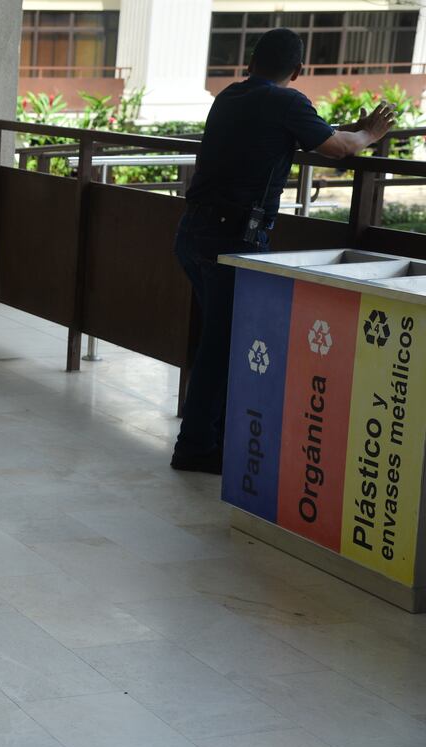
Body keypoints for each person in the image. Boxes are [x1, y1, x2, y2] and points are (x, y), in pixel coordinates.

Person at [170, 28, 396, 475]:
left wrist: (339, 131)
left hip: (193, 234)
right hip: (233, 241)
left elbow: (310, 135)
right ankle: (196, 447)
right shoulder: (288, 103)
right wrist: (369, 132)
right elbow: (342, 149)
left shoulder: (228, 96)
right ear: (298, 71)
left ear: (250, 63)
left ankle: (207, 440)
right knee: (221, 346)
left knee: (219, 341)